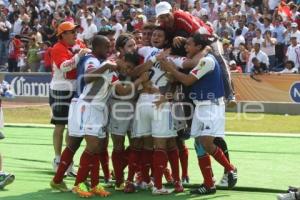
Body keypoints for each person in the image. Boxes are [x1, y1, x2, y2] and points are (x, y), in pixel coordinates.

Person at [160, 33, 237, 195]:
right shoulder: (202, 60)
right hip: (201, 107)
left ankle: (231, 169)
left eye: (189, 44)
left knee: (207, 143)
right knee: (199, 145)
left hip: (211, 106)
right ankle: (209, 184)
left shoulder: (207, 61)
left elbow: (187, 80)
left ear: (199, 47)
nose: (186, 47)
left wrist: (170, 68)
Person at [49, 21, 89, 176]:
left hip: (75, 90)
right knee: (60, 126)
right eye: (71, 32)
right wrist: (79, 55)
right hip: (60, 90)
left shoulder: (78, 43)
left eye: (75, 31)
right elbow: (64, 67)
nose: (75, 34)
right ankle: (58, 159)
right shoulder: (57, 48)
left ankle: (68, 162)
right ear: (62, 34)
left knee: (72, 127)